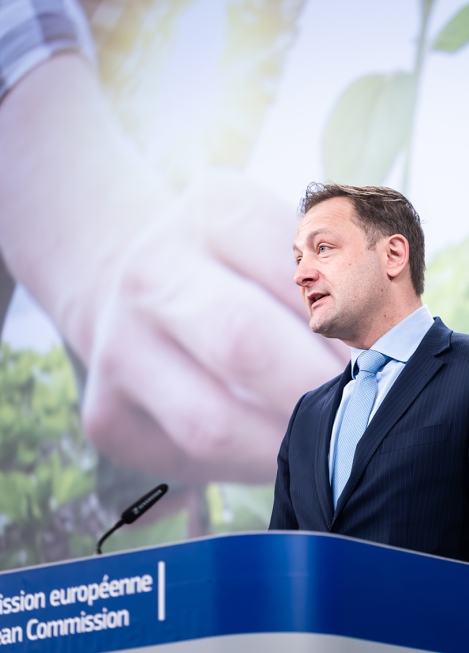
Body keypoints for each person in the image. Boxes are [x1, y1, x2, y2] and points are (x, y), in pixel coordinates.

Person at [0, 0, 345, 483]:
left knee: (166, 385)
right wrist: (106, 247)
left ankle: (148, 522)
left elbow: (254, 56)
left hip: (130, 123)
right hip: (46, 111)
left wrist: (195, 205)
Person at [269, 183, 469, 583]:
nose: (301, 274)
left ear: (393, 255)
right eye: (299, 257)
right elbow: (278, 570)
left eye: (323, 249)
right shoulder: (307, 414)